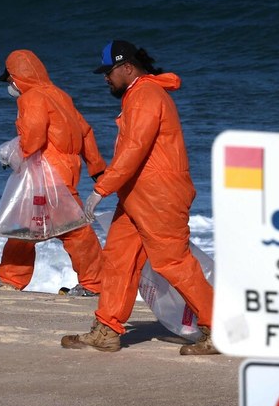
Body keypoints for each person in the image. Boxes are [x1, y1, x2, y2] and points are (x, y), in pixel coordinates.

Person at [60, 40, 217, 355]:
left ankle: (217, 328)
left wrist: (99, 191)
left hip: (159, 196)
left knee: (173, 262)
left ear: (126, 67)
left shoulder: (145, 95)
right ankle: (107, 329)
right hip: (137, 196)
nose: (105, 78)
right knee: (119, 259)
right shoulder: (139, 94)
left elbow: (135, 150)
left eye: (108, 71)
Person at [0, 50, 107, 296]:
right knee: (35, 225)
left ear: (18, 78)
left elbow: (33, 139)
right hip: (67, 171)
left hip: (47, 174)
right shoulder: (60, 95)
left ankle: (95, 284)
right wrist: (97, 167)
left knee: (66, 229)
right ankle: (12, 277)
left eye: (10, 81)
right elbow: (85, 131)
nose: (10, 86)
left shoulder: (31, 98)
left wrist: (12, 154)